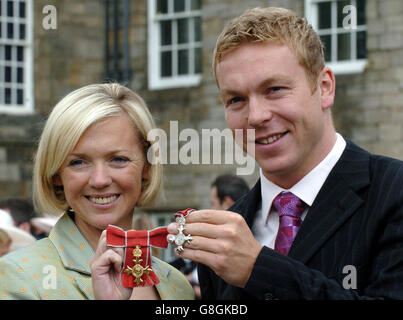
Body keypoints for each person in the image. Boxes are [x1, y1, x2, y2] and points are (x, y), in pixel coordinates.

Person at [167, 7, 403, 300]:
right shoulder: (227, 229)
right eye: (236, 99)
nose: (255, 116)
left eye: (274, 89)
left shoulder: (393, 192)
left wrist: (259, 268)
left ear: (325, 87)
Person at [0, 83, 194, 300]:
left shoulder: (176, 284)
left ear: (147, 167)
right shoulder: (19, 277)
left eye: (118, 159)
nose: (100, 180)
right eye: (78, 162)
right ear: (56, 174)